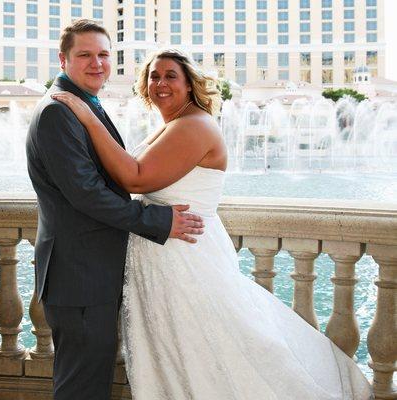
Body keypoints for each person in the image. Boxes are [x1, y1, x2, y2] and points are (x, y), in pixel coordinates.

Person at [51, 49, 373, 399]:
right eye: (153, 76)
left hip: (184, 258)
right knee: (176, 350)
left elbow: (136, 179)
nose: (160, 83)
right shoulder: (173, 124)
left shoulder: (194, 125)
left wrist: (88, 117)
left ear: (189, 85)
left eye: (170, 76)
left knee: (205, 347)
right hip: (165, 253)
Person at [25, 21, 204, 400]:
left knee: (89, 379)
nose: (97, 63)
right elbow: (87, 195)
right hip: (79, 278)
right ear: (63, 59)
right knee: (82, 386)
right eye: (85, 55)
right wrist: (158, 219)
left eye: (103, 54)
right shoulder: (59, 111)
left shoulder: (81, 104)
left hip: (87, 273)